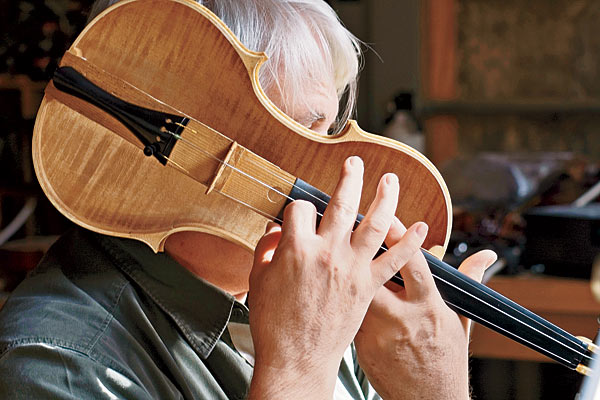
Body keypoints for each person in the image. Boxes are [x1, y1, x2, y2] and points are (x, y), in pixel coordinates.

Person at [0, 0, 497, 398]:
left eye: (319, 132)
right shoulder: (54, 363)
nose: (315, 185)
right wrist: (300, 364)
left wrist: (434, 389)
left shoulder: (335, 288)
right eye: (278, 138)